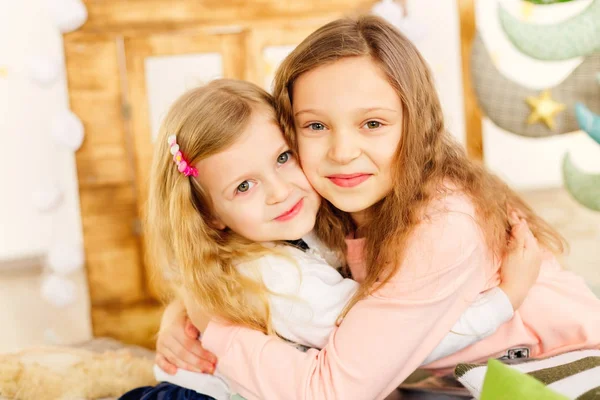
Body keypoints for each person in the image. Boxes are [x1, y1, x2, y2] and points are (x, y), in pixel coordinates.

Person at [155, 16, 600, 400]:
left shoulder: (442, 223)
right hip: (451, 375)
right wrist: (189, 300)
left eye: (373, 123)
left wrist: (212, 324)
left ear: (415, 123)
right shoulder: (321, 200)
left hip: (555, 364)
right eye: (315, 125)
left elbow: (331, 390)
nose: (343, 151)